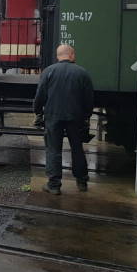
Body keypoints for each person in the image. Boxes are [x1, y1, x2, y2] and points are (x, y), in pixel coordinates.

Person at [33, 44, 94, 195]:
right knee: (77, 148)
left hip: (53, 116)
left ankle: (54, 185)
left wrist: (38, 112)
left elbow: (40, 95)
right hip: (75, 116)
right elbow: (89, 99)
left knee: (53, 149)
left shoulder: (48, 71)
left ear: (58, 56)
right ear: (72, 55)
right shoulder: (82, 73)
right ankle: (81, 181)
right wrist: (86, 116)